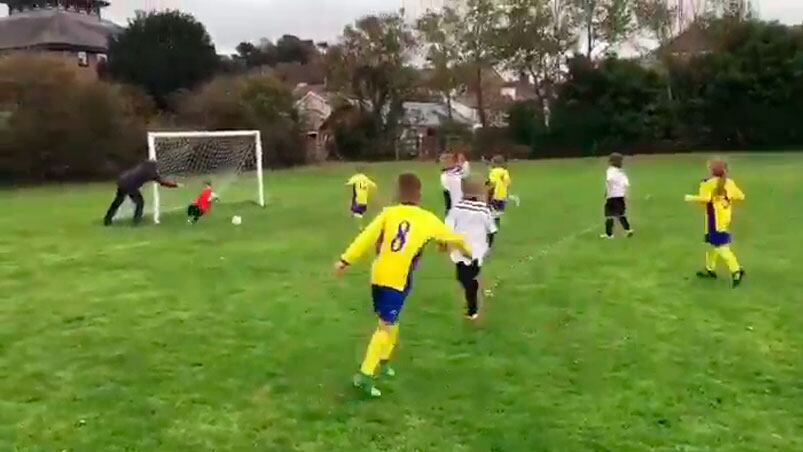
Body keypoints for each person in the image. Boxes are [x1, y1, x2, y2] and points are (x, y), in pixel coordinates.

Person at [334, 173, 470, 398]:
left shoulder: (389, 213)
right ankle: (365, 376)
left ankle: (384, 362)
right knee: (385, 326)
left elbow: (366, 237)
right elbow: (456, 238)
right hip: (395, 279)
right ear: (420, 194)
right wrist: (469, 253)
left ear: (398, 193)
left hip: (379, 275)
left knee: (391, 321)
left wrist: (345, 260)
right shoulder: (427, 218)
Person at [685, 158, 746, 287]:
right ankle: (709, 269)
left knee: (720, 246)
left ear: (711, 170)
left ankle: (736, 270)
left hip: (714, 219)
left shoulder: (708, 183)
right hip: (725, 216)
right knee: (713, 244)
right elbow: (741, 196)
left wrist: (690, 198)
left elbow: (705, 199)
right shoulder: (729, 182)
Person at [445, 179, 497, 320]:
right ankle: (473, 298)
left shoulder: (456, 209)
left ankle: (472, 309)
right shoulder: (484, 210)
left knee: (465, 278)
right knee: (466, 276)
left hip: (463, 250)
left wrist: (446, 242)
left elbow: (447, 228)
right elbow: (492, 230)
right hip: (476, 250)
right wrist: (488, 246)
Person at [103, 159, 178, 226]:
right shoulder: (151, 172)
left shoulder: (143, 165)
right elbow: (162, 182)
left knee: (118, 201)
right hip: (130, 185)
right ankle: (137, 221)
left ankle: (107, 219)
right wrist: (175, 185)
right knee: (140, 202)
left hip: (122, 180)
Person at [601, 153, 634, 239]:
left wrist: (606, 191)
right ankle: (628, 230)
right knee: (621, 214)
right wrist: (626, 194)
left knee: (609, 215)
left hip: (612, 195)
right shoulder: (621, 172)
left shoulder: (610, 170)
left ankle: (609, 234)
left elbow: (609, 180)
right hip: (620, 196)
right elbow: (626, 184)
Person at [487, 155, 511, 227]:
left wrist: (486, 183)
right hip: (503, 195)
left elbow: (492, 182)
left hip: (494, 195)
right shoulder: (505, 172)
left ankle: (493, 225)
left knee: (492, 211)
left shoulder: (493, 172)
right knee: (499, 211)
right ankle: (498, 224)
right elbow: (508, 182)